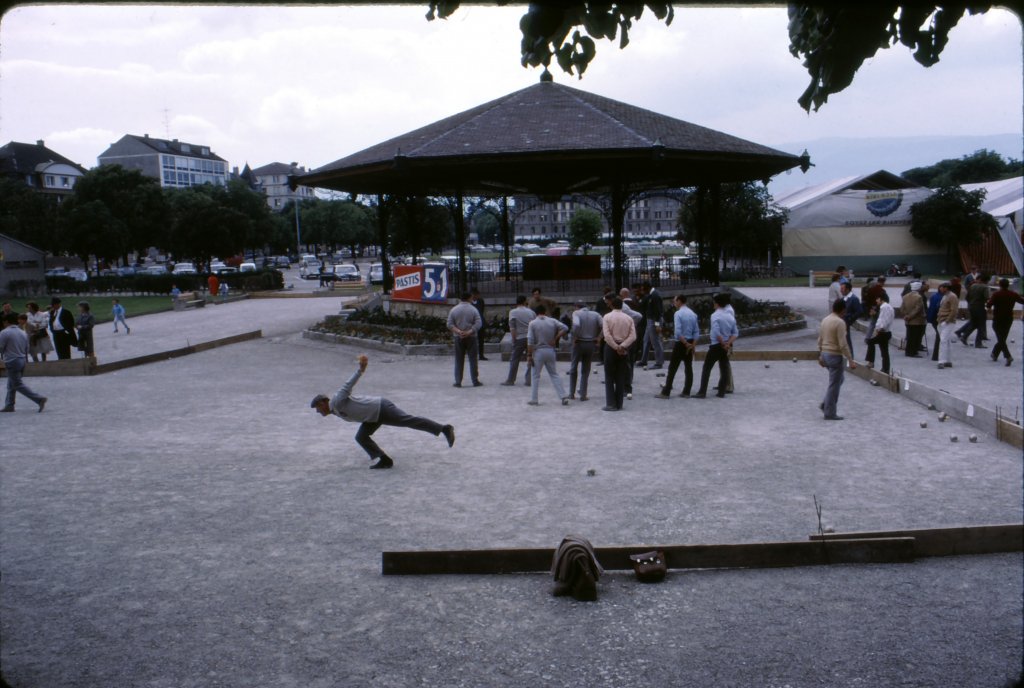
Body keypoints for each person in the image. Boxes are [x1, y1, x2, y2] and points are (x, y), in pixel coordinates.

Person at [311, 354, 454, 469]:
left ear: (323, 402)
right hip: (371, 417)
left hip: (380, 408)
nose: (318, 411)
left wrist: (361, 369)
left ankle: (444, 429)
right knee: (361, 437)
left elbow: (347, 385)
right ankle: (385, 460)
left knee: (408, 420)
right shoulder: (335, 409)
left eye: (317, 407)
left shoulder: (336, 400)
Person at [817, 298, 857, 420]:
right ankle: (829, 412)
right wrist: (850, 359)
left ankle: (826, 403)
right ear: (843, 310)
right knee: (834, 384)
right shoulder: (840, 322)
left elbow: (820, 339)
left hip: (825, 353)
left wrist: (820, 355)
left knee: (839, 380)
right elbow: (843, 344)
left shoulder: (825, 320)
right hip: (834, 355)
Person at [0, 313, 47, 413]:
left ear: (6, 322)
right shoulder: (22, 332)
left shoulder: (5, 332)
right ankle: (9, 404)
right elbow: (27, 348)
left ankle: (39, 399)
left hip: (12, 360)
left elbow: (1, 347)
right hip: (21, 359)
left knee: (17, 384)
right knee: (11, 383)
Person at [694, 293, 738, 399]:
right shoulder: (729, 316)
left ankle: (702, 391)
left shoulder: (715, 315)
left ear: (717, 304)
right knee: (724, 368)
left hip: (716, 345)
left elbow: (717, 332)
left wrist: (722, 343)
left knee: (707, 368)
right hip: (725, 345)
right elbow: (735, 333)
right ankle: (721, 391)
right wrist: (727, 343)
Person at [657, 294, 699, 399]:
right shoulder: (693, 314)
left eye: (675, 301)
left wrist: (685, 343)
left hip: (681, 343)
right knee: (688, 367)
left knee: (673, 368)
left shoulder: (678, 313)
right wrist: (692, 345)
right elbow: (696, 332)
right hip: (690, 342)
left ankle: (666, 392)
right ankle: (687, 391)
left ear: (679, 301)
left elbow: (678, 332)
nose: (674, 303)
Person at [526, 304, 569, 406]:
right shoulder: (552, 321)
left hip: (538, 351)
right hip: (550, 350)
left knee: (535, 375)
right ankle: (563, 396)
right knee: (554, 374)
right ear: (545, 312)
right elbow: (565, 328)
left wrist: (529, 355)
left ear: (535, 313)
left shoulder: (533, 323)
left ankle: (534, 399)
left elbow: (530, 341)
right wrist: (555, 338)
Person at [600, 297, 636, 412]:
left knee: (609, 376)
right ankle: (619, 403)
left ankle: (611, 403)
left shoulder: (607, 317)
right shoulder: (629, 318)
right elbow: (633, 336)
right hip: (623, 347)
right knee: (621, 375)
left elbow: (607, 335)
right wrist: (623, 346)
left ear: (611, 305)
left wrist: (616, 347)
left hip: (611, 347)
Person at [568, 300, 603, 401]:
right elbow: (604, 325)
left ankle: (571, 393)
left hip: (578, 343)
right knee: (586, 369)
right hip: (591, 343)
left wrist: (575, 336)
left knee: (573, 367)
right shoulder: (596, 314)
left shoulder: (576, 313)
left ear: (576, 306)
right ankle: (583, 394)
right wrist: (599, 337)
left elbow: (576, 325)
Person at [446, 292, 482, 387]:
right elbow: (478, 323)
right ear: (469, 298)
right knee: (473, 359)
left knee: (459, 359)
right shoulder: (474, 309)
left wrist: (458, 331)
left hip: (458, 337)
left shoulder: (454, 310)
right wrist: (469, 331)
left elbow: (449, 324)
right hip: (471, 337)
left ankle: (458, 381)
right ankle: (475, 380)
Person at [987, 278, 1024, 366]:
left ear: (999, 285)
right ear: (1008, 285)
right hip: (1008, 318)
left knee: (1000, 338)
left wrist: (988, 307)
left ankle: (1008, 356)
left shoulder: (996, 294)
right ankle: (994, 354)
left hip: (998, 318)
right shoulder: (1013, 294)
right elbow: (1022, 301)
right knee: (1002, 338)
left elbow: (989, 304)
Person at [502, 294, 536, 386]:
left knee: (515, 359)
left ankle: (511, 379)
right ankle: (529, 380)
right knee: (531, 358)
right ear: (525, 301)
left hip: (519, 338)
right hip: (530, 337)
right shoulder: (531, 312)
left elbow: (512, 328)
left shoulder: (513, 312)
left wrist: (514, 339)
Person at [956, 272, 991, 348]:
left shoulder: (973, 286)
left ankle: (964, 336)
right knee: (981, 325)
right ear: (986, 280)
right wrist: (988, 306)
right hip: (980, 307)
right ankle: (978, 343)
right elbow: (987, 298)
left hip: (971, 306)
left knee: (974, 323)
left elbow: (967, 297)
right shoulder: (985, 287)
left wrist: (971, 303)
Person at [638, 280, 665, 369]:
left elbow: (657, 311)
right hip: (650, 320)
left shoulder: (654, 295)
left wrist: (657, 325)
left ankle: (659, 362)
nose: (642, 291)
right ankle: (644, 360)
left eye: (643, 289)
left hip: (654, 320)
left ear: (647, 288)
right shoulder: (651, 294)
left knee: (655, 341)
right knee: (646, 340)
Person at [865, 294, 894, 374]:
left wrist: (879, 329)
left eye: (877, 299)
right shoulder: (886, 307)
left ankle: (871, 362)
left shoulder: (885, 307)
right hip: (885, 332)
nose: (876, 301)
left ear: (882, 299)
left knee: (870, 342)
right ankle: (885, 368)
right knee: (884, 351)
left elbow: (884, 320)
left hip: (883, 332)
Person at [936, 281, 959, 369]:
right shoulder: (946, 296)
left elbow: (954, 310)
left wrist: (947, 320)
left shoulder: (952, 296)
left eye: (942, 287)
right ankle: (948, 360)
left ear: (946, 288)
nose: (940, 288)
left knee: (943, 340)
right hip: (942, 320)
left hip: (947, 321)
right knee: (947, 340)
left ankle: (941, 361)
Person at [901, 281, 926, 358]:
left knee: (910, 336)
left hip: (908, 320)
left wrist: (906, 315)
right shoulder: (919, 297)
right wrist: (910, 316)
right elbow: (918, 309)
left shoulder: (905, 296)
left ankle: (908, 351)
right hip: (917, 320)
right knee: (916, 337)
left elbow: (902, 308)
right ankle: (913, 352)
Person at [839, 281, 862, 357]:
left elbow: (858, 312)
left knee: (847, 340)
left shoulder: (854, 299)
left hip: (846, 322)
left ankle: (850, 357)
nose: (841, 290)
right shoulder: (843, 298)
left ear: (848, 289)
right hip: (841, 322)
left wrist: (849, 320)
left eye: (842, 289)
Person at [470, 288, 488, 360]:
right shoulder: (469, 302)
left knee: (481, 340)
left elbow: (482, 310)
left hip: (480, 323)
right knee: (472, 340)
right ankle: (472, 355)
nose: (477, 296)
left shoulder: (480, 301)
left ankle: (481, 355)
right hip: (472, 323)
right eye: (475, 295)